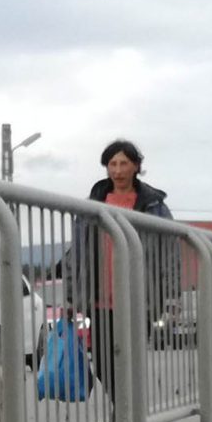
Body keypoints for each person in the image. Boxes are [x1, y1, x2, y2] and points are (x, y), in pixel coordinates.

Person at [69, 139, 175, 400]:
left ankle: (128, 418)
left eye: (124, 163)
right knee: (104, 362)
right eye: (112, 164)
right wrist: (73, 292)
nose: (117, 170)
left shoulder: (154, 206)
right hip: (101, 298)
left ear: (136, 166)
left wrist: (170, 293)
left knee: (132, 360)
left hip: (140, 298)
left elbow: (170, 251)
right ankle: (124, 408)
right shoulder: (92, 203)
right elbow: (78, 251)